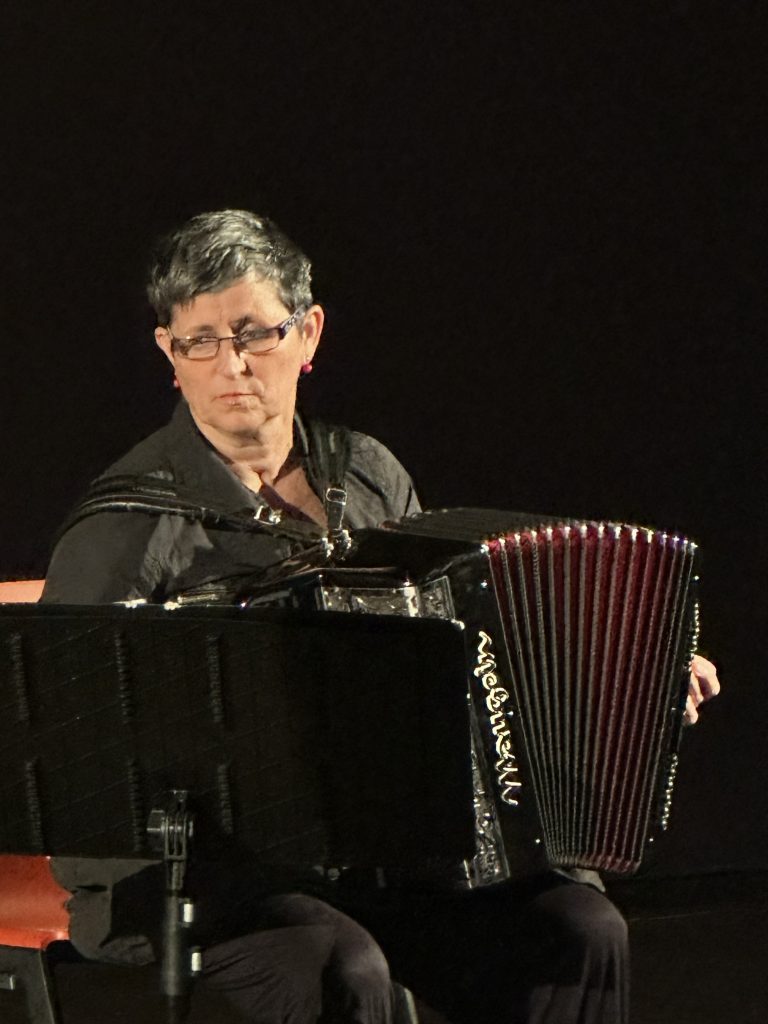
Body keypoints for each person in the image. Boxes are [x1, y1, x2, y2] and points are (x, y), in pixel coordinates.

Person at [42, 209, 720, 1024]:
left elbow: (469, 656)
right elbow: (73, 775)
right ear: (169, 353)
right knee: (340, 962)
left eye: (255, 333)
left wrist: (631, 682)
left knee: (579, 927)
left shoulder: (365, 476)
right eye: (201, 341)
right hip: (200, 881)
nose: (233, 365)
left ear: (308, 334)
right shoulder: (124, 528)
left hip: (388, 863)